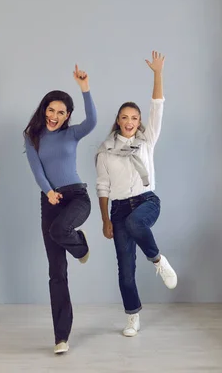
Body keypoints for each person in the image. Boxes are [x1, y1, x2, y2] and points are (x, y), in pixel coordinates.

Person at [95, 50, 177, 338]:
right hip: (117, 209)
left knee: (134, 223)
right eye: (124, 117)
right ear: (118, 121)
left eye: (134, 117)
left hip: (146, 202)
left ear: (139, 120)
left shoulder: (146, 141)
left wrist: (157, 73)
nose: (130, 122)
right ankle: (132, 317)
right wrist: (105, 219)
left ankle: (157, 260)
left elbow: (158, 107)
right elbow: (102, 187)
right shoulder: (105, 150)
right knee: (125, 269)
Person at [24, 65, 97, 354]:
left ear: (68, 115)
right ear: (44, 110)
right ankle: (61, 337)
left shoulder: (72, 134)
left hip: (77, 196)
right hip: (50, 199)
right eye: (51, 110)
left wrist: (85, 87)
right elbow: (36, 168)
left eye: (61, 112)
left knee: (59, 231)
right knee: (56, 271)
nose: (55, 116)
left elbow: (92, 120)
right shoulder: (32, 136)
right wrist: (48, 191)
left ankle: (80, 246)